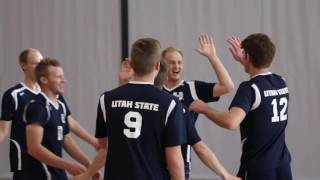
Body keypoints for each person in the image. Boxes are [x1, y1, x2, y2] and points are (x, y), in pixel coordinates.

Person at [75, 38, 187, 180]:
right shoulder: (170, 104)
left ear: (132, 64)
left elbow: (104, 148)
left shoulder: (106, 99)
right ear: (158, 66)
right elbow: (174, 157)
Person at [190, 33, 292, 180]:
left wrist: (205, 108)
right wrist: (245, 60)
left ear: (248, 57)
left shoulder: (250, 88)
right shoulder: (281, 82)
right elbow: (261, 76)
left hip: (258, 168)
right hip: (282, 165)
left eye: (244, 54)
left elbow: (231, 122)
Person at [0, 48, 98, 179]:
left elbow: (64, 131)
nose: (63, 81)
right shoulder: (22, 98)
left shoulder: (57, 101)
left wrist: (90, 159)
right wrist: (69, 165)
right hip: (30, 166)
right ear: (23, 65)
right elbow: (4, 131)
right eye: (36, 63)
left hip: (54, 168)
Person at [162, 34, 237, 179]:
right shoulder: (154, 89)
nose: (177, 66)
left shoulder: (192, 88)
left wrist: (212, 57)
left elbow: (227, 86)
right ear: (162, 65)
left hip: (180, 163)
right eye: (172, 62)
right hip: (153, 162)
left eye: (179, 62)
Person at [24, 58, 97, 179]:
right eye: (59, 77)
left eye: (63, 76)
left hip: (57, 174)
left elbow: (64, 138)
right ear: (44, 80)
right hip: (40, 174)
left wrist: (89, 164)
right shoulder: (37, 106)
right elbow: (34, 148)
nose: (64, 80)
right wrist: (67, 165)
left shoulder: (60, 105)